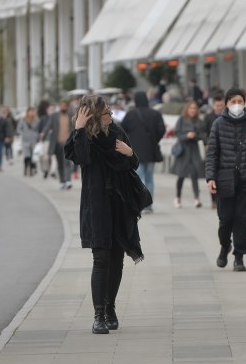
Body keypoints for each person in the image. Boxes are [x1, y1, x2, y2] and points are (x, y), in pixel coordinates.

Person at [64, 95, 149, 334]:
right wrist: (79, 130)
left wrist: (130, 153)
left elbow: (133, 165)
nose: (111, 116)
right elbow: (82, 159)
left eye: (110, 111)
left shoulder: (118, 132)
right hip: (97, 205)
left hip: (120, 204)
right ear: (93, 116)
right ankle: (98, 315)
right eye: (106, 113)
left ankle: (111, 308)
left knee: (117, 260)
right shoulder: (84, 137)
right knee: (101, 259)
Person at [205, 88, 246, 272]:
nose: (237, 105)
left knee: (242, 219)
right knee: (225, 220)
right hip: (225, 178)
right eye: (233, 101)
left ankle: (239, 257)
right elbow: (212, 153)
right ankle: (225, 246)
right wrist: (210, 177)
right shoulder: (218, 124)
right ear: (226, 104)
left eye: (240, 101)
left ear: (245, 103)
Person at [121, 91, 166, 214]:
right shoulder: (155, 114)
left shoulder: (131, 114)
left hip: (135, 151)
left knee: (138, 178)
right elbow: (162, 129)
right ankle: (149, 206)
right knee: (149, 178)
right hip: (151, 151)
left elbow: (123, 130)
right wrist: (154, 139)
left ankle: (139, 203)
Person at [171, 101, 206, 209]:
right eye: (191, 108)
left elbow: (203, 135)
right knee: (181, 175)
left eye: (195, 108)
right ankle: (177, 198)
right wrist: (186, 136)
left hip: (194, 150)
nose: (193, 110)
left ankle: (197, 198)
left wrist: (195, 135)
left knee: (194, 174)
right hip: (183, 150)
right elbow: (177, 133)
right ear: (187, 109)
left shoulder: (200, 121)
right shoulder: (181, 119)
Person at [42, 99, 74, 189]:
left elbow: (74, 128)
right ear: (59, 106)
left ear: (67, 107)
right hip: (57, 143)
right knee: (60, 163)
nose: (63, 107)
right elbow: (48, 126)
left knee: (67, 162)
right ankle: (62, 181)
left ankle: (68, 181)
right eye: (62, 105)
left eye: (65, 105)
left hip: (67, 143)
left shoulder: (71, 116)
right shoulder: (54, 116)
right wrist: (43, 134)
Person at [202, 93, 225, 209]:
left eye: (221, 105)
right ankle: (213, 200)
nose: (219, 107)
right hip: (211, 148)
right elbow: (203, 132)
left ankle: (221, 198)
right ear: (213, 105)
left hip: (224, 149)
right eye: (217, 105)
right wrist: (207, 143)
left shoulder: (227, 116)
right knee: (212, 175)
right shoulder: (208, 117)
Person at [17, 108, 40, 176]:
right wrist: (23, 134)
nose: (31, 113)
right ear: (27, 112)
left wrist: (36, 135)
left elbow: (39, 129)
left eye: (33, 112)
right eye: (30, 112)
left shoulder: (37, 120)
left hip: (33, 140)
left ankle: (31, 170)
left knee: (33, 156)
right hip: (25, 140)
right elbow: (18, 129)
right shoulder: (23, 120)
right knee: (27, 155)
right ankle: (26, 168)